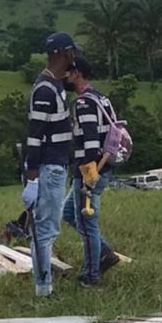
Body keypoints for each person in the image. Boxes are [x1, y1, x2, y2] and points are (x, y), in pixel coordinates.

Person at [24, 32, 80, 297]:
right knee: (45, 230)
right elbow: (35, 135)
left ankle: (44, 285)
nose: (74, 57)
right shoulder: (45, 89)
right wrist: (33, 177)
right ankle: (44, 288)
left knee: (47, 228)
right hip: (48, 168)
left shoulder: (56, 85)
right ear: (62, 53)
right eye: (71, 52)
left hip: (55, 166)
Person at [60, 56, 121, 287]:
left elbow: (91, 144)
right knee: (68, 214)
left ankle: (91, 276)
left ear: (77, 73)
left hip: (90, 170)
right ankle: (105, 253)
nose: (64, 76)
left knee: (87, 224)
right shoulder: (101, 98)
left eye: (67, 72)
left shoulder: (84, 103)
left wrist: (87, 178)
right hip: (103, 168)